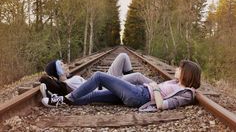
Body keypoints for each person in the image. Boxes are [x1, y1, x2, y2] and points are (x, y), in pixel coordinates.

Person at [41, 60, 201, 111]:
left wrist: (156, 87)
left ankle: (65, 99)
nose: (176, 69)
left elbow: (161, 104)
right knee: (92, 96)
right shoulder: (176, 83)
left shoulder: (187, 93)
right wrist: (154, 86)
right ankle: (61, 100)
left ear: (187, 73)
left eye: (180, 68)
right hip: (138, 93)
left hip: (140, 95)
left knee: (98, 76)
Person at [39, 53, 149, 97]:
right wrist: (49, 79)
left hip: (105, 80)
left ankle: (132, 86)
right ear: (58, 71)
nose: (66, 65)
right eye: (62, 65)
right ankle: (158, 88)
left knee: (123, 56)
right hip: (105, 87)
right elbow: (45, 80)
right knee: (138, 76)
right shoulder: (65, 85)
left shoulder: (70, 79)